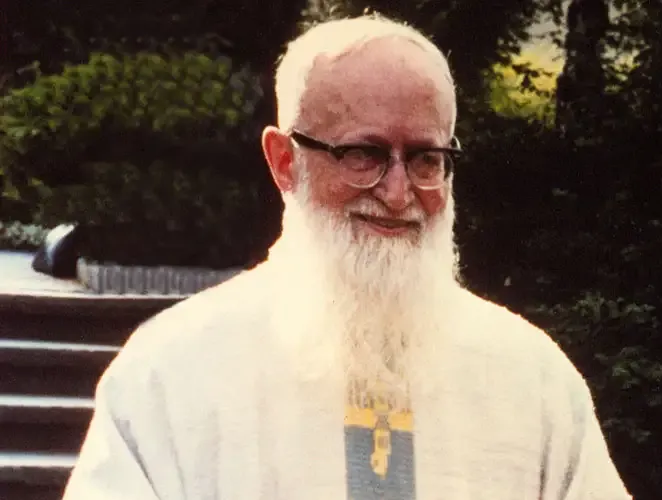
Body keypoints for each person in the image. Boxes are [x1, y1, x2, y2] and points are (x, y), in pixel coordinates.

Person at [62, 14, 632, 500]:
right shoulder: (172, 374)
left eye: (426, 159)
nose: (398, 193)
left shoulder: (532, 380)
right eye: (363, 153)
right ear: (284, 161)